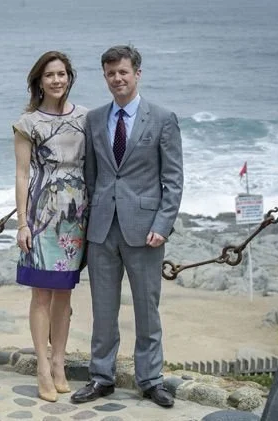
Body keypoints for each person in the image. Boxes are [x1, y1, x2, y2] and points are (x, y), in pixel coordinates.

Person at [70, 45, 183, 408]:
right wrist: (86, 228)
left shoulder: (163, 118)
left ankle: (150, 380)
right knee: (103, 310)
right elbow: (91, 178)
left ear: (137, 73)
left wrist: (163, 224)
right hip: (102, 230)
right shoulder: (95, 119)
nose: (117, 79)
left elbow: (174, 179)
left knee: (147, 311)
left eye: (123, 72)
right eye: (110, 74)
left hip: (146, 231)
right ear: (104, 77)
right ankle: (101, 377)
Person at [13, 51, 88, 403]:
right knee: (41, 294)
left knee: (65, 293)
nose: (56, 80)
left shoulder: (87, 118)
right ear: (39, 81)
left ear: (69, 78)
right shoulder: (27, 123)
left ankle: (59, 362)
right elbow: (22, 174)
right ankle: (42, 366)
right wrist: (22, 223)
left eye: (61, 74)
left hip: (76, 216)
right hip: (42, 215)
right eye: (49, 75)